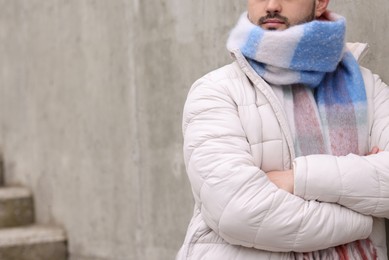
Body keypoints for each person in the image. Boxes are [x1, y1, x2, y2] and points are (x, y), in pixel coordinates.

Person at [176, 0, 389, 259]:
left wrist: (297, 179)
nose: (271, 5)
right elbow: (238, 211)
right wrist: (362, 219)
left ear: (320, 2)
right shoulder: (216, 91)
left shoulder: (367, 86)